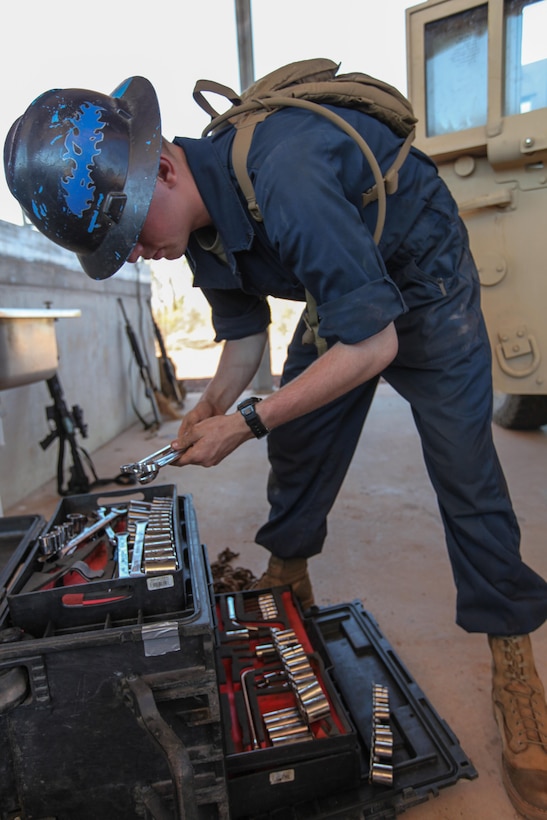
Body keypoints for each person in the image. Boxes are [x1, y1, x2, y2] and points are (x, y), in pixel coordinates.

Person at [4, 73, 547, 820]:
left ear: (163, 167)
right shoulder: (195, 220)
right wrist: (211, 408)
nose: (135, 256)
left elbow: (375, 342)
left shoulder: (286, 174)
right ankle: (287, 577)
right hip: (342, 291)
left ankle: (513, 663)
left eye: (130, 233)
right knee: (301, 446)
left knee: (465, 472)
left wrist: (249, 423)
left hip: (423, 284)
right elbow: (242, 336)